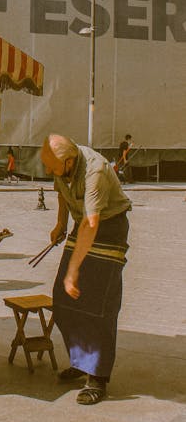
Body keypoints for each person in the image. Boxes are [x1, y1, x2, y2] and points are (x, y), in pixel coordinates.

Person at [40, 133, 131, 405]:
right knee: (63, 298)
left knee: (97, 305)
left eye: (53, 167)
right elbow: (62, 192)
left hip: (108, 227)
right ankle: (81, 360)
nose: (49, 171)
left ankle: (97, 377)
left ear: (69, 162)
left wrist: (72, 271)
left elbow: (92, 224)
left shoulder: (96, 172)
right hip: (84, 224)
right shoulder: (60, 164)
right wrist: (60, 224)